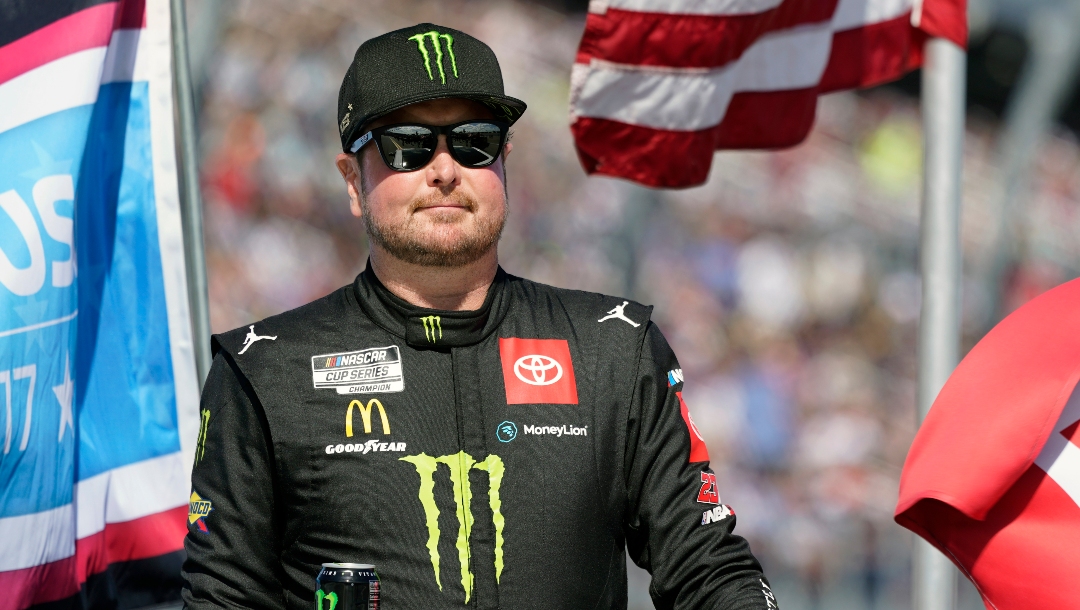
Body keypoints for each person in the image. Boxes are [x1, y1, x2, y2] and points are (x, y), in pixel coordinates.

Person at [181, 23, 778, 610]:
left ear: (504, 162)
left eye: (474, 142)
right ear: (353, 181)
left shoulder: (614, 350)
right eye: (407, 145)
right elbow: (222, 597)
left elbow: (707, 568)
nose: (445, 169)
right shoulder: (263, 371)